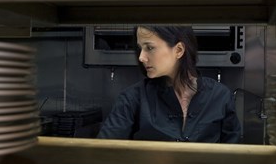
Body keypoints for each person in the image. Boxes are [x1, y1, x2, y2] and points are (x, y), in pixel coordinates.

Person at [97, 26, 242, 143]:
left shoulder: (220, 96)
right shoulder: (132, 99)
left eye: (149, 47)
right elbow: (103, 154)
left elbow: (234, 160)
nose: (141, 57)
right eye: (140, 48)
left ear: (178, 50)